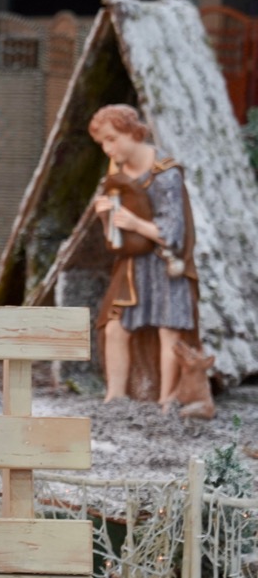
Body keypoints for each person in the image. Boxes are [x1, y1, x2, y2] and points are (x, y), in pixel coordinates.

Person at [88, 104, 199, 407]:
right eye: (102, 143)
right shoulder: (117, 175)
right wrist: (106, 218)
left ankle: (167, 400)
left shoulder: (164, 173)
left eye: (112, 139)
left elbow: (174, 233)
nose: (107, 149)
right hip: (134, 266)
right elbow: (116, 239)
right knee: (116, 326)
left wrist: (135, 223)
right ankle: (115, 397)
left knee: (169, 328)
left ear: (133, 133)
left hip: (166, 263)